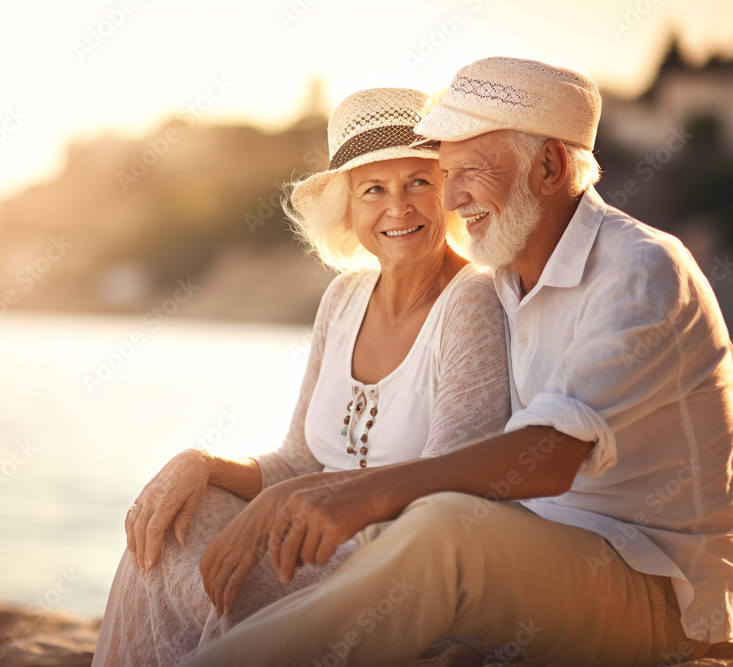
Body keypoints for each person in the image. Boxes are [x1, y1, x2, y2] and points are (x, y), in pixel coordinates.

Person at [180, 57, 733, 666]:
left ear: (548, 167)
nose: (452, 196)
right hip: (541, 562)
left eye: (468, 171)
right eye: (446, 173)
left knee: (443, 527)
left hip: (656, 593)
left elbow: (549, 455)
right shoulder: (504, 280)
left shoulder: (640, 270)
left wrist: (361, 493)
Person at [91, 88, 512, 666]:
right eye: (373, 189)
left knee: (225, 587)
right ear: (347, 207)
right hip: (312, 541)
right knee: (173, 525)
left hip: (406, 570)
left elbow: (451, 491)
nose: (399, 207)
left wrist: (284, 503)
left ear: (450, 190)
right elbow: (297, 461)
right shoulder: (343, 298)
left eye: (420, 180)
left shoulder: (474, 302)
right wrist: (201, 463)